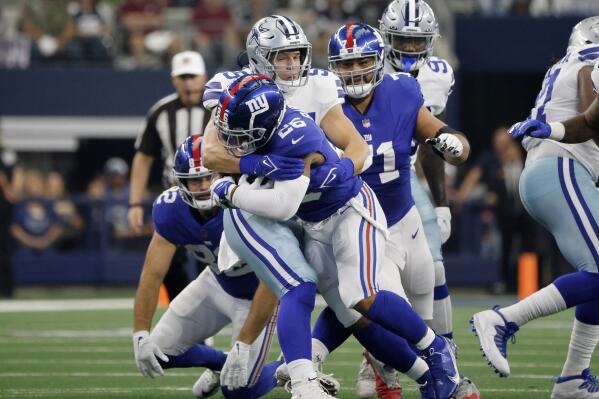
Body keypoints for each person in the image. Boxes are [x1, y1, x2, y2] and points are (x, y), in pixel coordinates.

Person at [210, 74, 463, 399]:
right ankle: (426, 375)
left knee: (361, 294)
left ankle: (436, 348)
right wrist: (252, 163)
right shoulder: (274, 129)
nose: (235, 137)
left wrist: (231, 192)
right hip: (316, 224)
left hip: (350, 212)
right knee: (348, 314)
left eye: (243, 130)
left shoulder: (294, 136)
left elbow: (283, 206)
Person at [200, 15, 370, 398]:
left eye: (296, 55)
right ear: (261, 58)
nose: (292, 65)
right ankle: (261, 358)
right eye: (282, 57)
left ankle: (315, 365)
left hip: (314, 211)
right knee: (294, 288)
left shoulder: (318, 86)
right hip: (260, 209)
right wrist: (265, 165)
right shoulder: (236, 86)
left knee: (354, 299)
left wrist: (340, 171)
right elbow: (210, 153)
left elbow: (358, 146)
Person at [301, 22, 472, 399]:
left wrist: (454, 144)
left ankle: (421, 374)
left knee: (419, 315)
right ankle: (387, 375)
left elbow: (445, 137)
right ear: (332, 68)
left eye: (361, 61)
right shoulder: (323, 104)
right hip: (360, 222)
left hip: (405, 220)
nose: (353, 72)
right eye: (344, 65)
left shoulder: (403, 89)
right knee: (371, 303)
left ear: (379, 60)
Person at [472, 17, 599, 399]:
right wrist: (559, 131)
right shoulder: (591, 60)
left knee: (594, 277)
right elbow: (592, 117)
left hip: (557, 171)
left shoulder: (568, 62)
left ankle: (574, 378)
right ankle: (503, 319)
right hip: (560, 167)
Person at [132, 136, 281, 399]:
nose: (201, 186)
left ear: (222, 173)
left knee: (238, 391)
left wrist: (243, 343)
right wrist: (140, 333)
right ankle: (220, 362)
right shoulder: (172, 210)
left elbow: (271, 279)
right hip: (215, 284)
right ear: (180, 181)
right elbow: (152, 275)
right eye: (193, 179)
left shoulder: (247, 202)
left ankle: (287, 368)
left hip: (258, 296)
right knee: (156, 353)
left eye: (207, 177)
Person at [129, 51, 209, 300]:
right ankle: (185, 312)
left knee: (213, 261)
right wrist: (134, 202)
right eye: (182, 77)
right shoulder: (161, 112)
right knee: (168, 264)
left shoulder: (218, 109)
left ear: (204, 77)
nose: (188, 83)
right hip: (175, 196)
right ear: (173, 80)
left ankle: (209, 312)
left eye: (192, 77)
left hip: (214, 197)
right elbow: (143, 157)